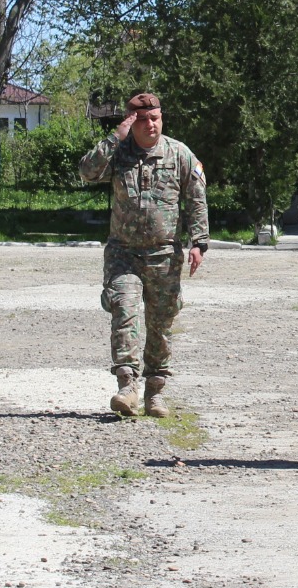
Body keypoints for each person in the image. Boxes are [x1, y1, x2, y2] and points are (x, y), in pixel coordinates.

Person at [79, 93, 209, 418]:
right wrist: (114, 138)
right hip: (123, 252)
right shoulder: (118, 152)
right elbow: (86, 171)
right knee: (124, 310)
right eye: (142, 120)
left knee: (160, 324)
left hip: (164, 254)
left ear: (161, 118)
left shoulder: (179, 154)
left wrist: (199, 242)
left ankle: (155, 391)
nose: (150, 125)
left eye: (155, 118)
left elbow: (196, 199)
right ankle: (127, 386)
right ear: (131, 121)